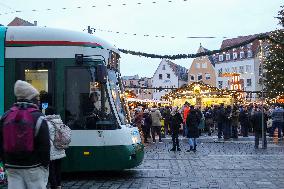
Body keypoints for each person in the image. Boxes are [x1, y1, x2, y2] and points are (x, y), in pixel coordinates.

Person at [0, 80, 50, 189]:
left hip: (12, 166)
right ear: (31, 98)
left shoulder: (5, 116)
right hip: (34, 167)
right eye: (37, 98)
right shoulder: (38, 117)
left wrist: (6, 162)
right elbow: (45, 146)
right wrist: (45, 165)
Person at [45, 107, 66, 189]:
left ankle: (54, 186)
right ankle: (59, 185)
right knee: (58, 169)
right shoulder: (59, 122)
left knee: (51, 169)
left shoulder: (46, 123)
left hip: (51, 150)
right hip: (60, 148)